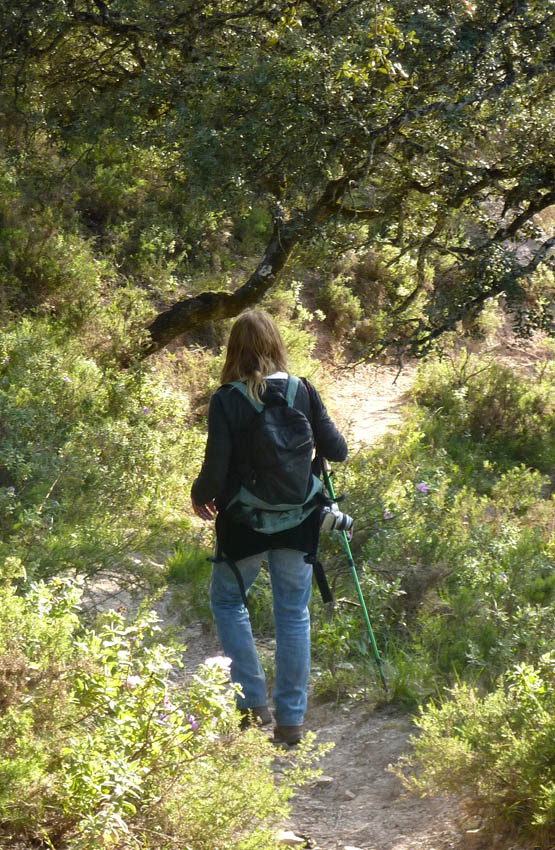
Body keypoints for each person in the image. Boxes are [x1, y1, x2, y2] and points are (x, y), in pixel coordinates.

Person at [191, 310, 347, 745]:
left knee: (226, 600)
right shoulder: (303, 391)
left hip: (244, 521)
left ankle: (252, 704)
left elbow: (214, 472)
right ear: (276, 344)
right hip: (300, 520)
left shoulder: (227, 399)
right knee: (293, 614)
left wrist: (197, 493)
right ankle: (292, 722)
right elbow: (339, 450)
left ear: (234, 350)